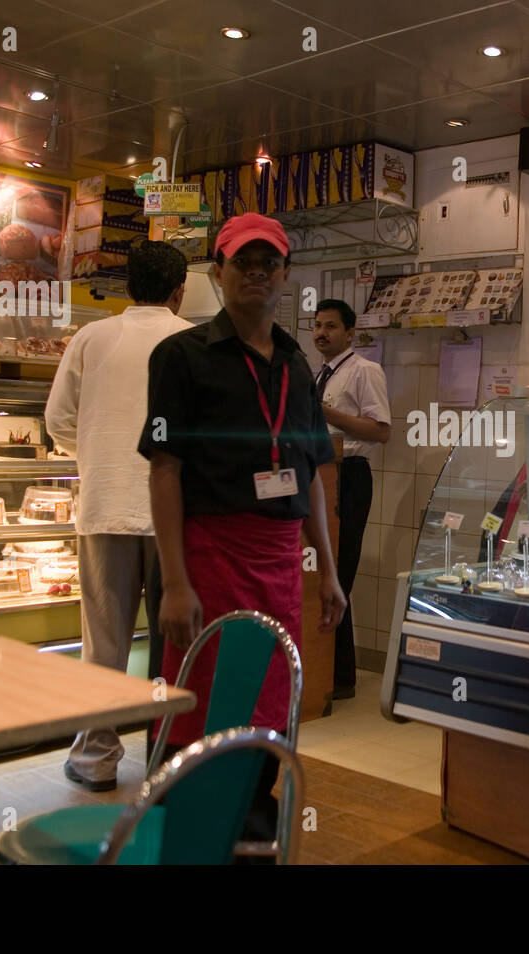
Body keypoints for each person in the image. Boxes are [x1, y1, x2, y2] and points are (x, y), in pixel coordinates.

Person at [139, 213, 345, 848]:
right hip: (208, 559)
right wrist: (174, 582)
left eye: (268, 262)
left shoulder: (296, 364)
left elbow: (308, 474)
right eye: (242, 262)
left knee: (266, 706)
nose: (256, 272)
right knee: (197, 705)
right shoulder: (180, 356)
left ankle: (248, 835)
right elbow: (165, 472)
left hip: (281, 565)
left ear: (285, 274)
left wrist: (329, 573)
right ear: (217, 272)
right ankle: (190, 837)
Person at [44, 240, 192, 792]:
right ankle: (170, 756)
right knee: (176, 642)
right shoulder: (193, 340)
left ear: (127, 286)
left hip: (104, 507)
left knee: (103, 644)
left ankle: (94, 761)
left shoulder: (90, 337)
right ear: (180, 290)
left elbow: (58, 419)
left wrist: (97, 458)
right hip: (175, 518)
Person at [311, 299, 390, 700]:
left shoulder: (365, 371)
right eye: (317, 325)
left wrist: (322, 411)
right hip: (321, 476)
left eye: (330, 326)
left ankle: (342, 678)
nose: (321, 332)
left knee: (339, 573)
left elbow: (380, 430)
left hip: (351, 477)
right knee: (322, 573)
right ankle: (327, 671)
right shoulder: (318, 374)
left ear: (349, 333)